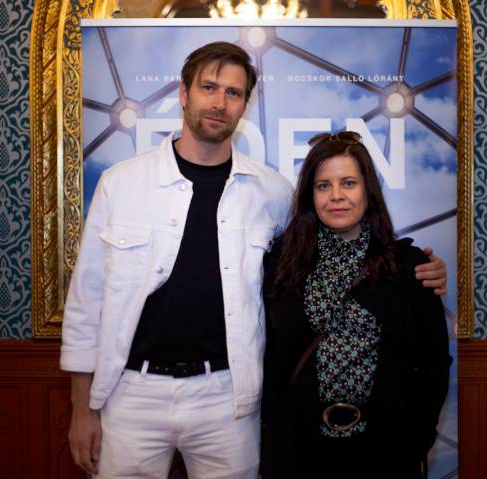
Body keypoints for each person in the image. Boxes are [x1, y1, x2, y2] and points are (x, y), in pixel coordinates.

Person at [61, 41, 448, 479]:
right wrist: (82, 407)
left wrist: (421, 270)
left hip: (227, 398)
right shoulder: (121, 184)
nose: (219, 102)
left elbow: (319, 256)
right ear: (184, 93)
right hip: (131, 392)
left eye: (233, 92)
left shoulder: (272, 192)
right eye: (209, 87)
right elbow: (86, 304)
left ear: (245, 105)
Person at [261, 131, 452, 479]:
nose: (336, 196)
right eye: (323, 186)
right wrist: (273, 448)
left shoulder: (408, 266)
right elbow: (272, 362)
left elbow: (433, 363)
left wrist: (414, 442)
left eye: (348, 183)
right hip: (302, 452)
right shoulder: (283, 265)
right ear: (310, 195)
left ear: (368, 190)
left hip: (385, 452)